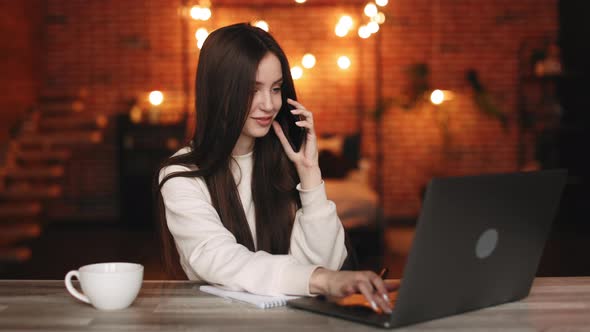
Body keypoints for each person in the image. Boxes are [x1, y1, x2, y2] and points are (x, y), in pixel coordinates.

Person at [156, 23, 396, 313]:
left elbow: (327, 266)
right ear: (219, 91)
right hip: (216, 321)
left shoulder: (284, 163)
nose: (269, 104)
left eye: (276, 88)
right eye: (252, 90)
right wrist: (321, 279)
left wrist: (310, 175)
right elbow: (220, 258)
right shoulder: (182, 175)